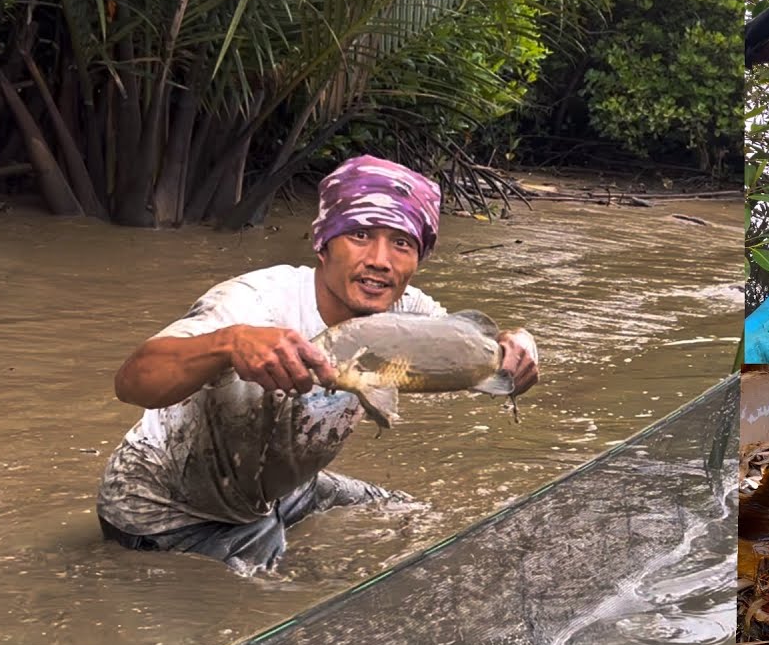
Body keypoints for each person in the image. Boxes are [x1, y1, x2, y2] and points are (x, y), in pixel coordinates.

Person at [96, 155, 540, 575]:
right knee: (276, 599)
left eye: (401, 243)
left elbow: (465, 341)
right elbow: (132, 381)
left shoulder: (406, 313)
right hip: (163, 513)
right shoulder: (255, 303)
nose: (380, 260)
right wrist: (228, 345)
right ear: (323, 244)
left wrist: (513, 346)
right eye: (360, 235)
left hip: (275, 492)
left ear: (417, 259)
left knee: (404, 513)